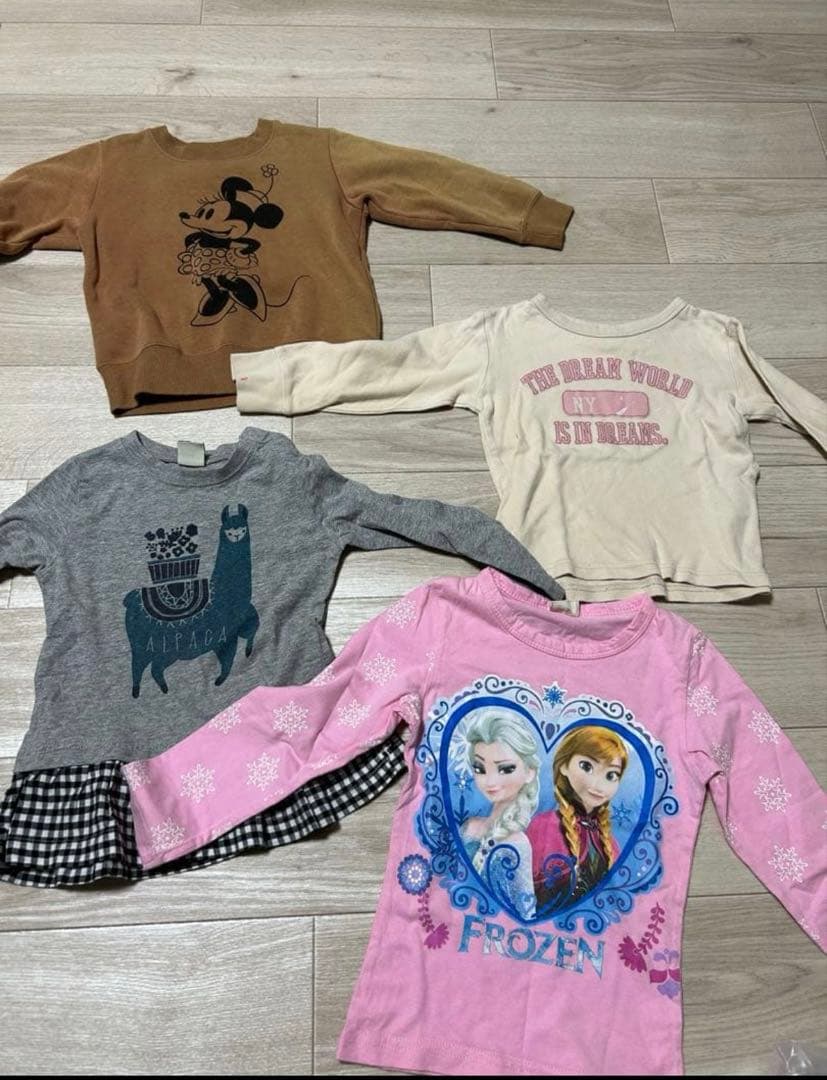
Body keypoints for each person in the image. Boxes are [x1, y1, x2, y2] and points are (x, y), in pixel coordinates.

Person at [527, 725, 628, 913]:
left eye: (611, 775)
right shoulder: (543, 827)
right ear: (564, 765)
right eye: (587, 766)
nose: (598, 784)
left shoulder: (607, 840)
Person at [459, 708, 540, 921]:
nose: (490, 781)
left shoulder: (517, 844)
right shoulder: (470, 826)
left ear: (529, 772)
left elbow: (525, 913)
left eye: (505, 769)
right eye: (480, 768)